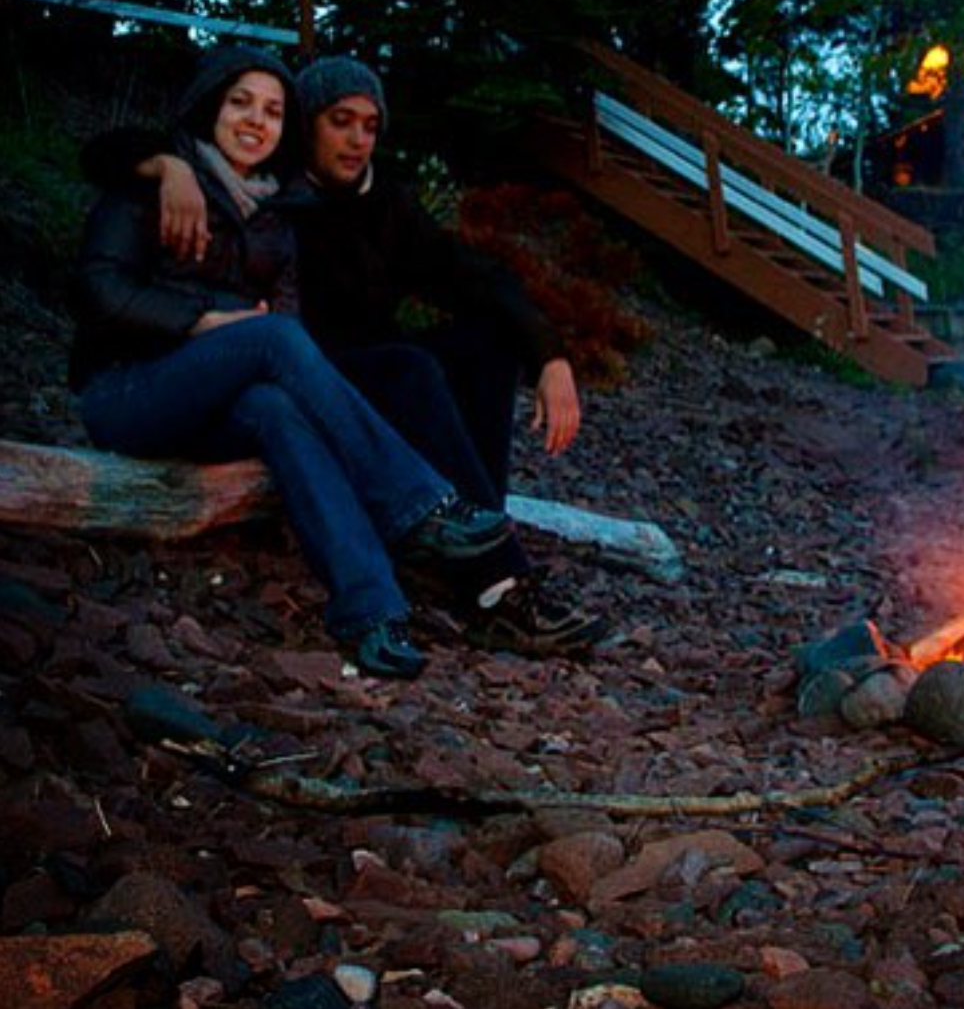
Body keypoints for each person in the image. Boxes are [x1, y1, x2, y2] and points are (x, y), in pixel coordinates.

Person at [81, 55, 607, 657]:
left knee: (465, 352)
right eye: (340, 121)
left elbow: (473, 274)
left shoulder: (301, 205)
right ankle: (464, 548)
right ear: (308, 125)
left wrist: (549, 355)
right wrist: (166, 166)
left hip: (283, 380)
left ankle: (400, 593)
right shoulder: (224, 184)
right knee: (337, 358)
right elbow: (105, 197)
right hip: (182, 376)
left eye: (369, 125)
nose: (357, 139)